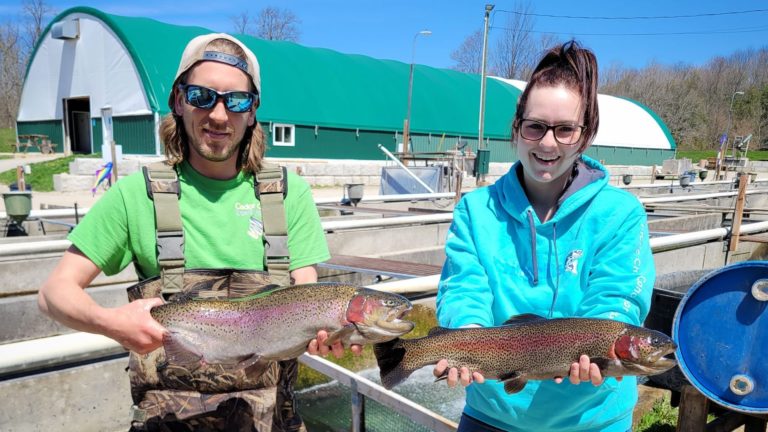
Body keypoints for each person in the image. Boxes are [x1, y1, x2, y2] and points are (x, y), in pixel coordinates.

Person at [38, 33, 355, 431]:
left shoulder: (290, 196)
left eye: (236, 101)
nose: (220, 115)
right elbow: (53, 295)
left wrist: (325, 334)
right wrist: (113, 323)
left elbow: (306, 295)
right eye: (203, 96)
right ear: (178, 101)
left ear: (253, 111)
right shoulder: (138, 196)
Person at [435, 40, 655, 432]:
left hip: (593, 419)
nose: (548, 143)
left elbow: (617, 296)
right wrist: (466, 332)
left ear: (585, 136)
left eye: (565, 129)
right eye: (535, 127)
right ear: (517, 129)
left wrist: (601, 340)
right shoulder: (475, 210)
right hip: (492, 413)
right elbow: (463, 287)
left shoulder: (620, 213)